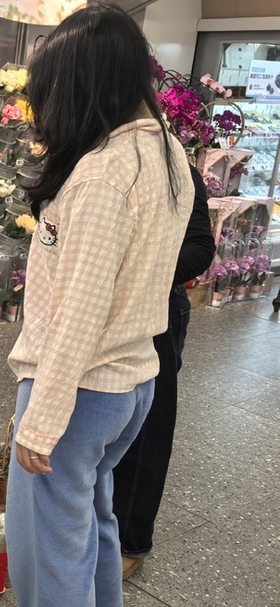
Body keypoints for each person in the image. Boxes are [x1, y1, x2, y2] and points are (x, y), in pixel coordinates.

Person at [0, 3, 194, 607]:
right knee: (96, 519)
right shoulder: (165, 151)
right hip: (130, 383)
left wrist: (41, 421)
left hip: (78, 389)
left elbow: (79, 312)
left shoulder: (104, 173)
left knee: (57, 549)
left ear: (86, 82)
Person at [114, 165, 215, 578]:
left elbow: (200, 248)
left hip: (158, 307)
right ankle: (93, 525)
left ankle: (131, 541)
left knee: (147, 427)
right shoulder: (95, 157)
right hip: (103, 307)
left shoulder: (177, 170)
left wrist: (141, 271)